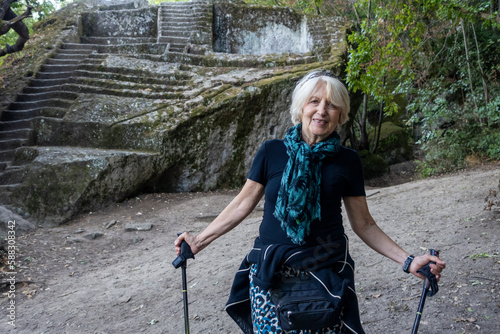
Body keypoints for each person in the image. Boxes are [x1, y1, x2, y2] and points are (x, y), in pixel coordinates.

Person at [174, 70, 446, 334]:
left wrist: (408, 260)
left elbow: (364, 224)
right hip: (271, 274)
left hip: (325, 273)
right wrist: (199, 240)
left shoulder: (348, 160)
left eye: (332, 105)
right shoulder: (271, 152)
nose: (322, 110)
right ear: (301, 107)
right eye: (314, 101)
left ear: (340, 115)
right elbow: (241, 205)